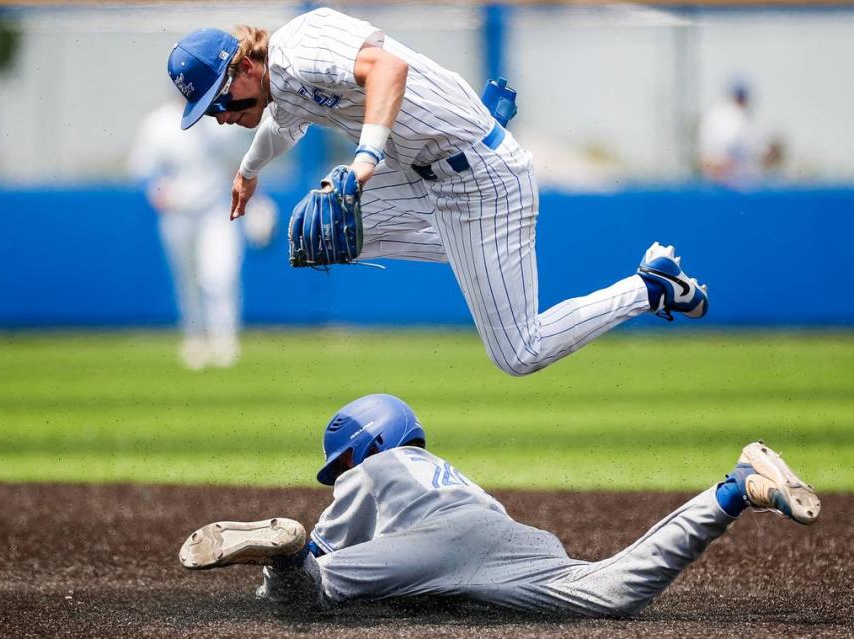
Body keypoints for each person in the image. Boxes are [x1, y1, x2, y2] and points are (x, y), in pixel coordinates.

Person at [165, 8, 709, 377]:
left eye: (218, 100)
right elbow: (285, 122)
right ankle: (476, 152)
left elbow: (388, 67)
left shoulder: (301, 45)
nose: (218, 115)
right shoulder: (281, 86)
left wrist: (366, 157)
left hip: (479, 183)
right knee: (318, 231)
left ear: (244, 65)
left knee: (520, 353)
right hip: (430, 172)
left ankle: (650, 287)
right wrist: (249, 169)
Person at [179, 393, 821, 617]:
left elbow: (330, 549)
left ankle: (274, 549)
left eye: (341, 459)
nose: (340, 472)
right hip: (511, 536)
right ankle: (735, 489)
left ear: (365, 444)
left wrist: (288, 573)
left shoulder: (372, 468)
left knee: (307, 594)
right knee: (615, 590)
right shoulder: (447, 471)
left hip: (438, 546)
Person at [128, 97, 276, 370]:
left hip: (216, 209)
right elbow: (145, 170)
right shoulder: (159, 123)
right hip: (177, 212)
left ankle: (224, 341)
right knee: (188, 281)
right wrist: (159, 194)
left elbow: (242, 167)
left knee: (219, 275)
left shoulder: (224, 121)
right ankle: (195, 341)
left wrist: (259, 202)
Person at [699, 81, 783, 188]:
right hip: (731, 181)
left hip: (718, 179)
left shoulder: (716, 113)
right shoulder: (734, 116)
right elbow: (727, 148)